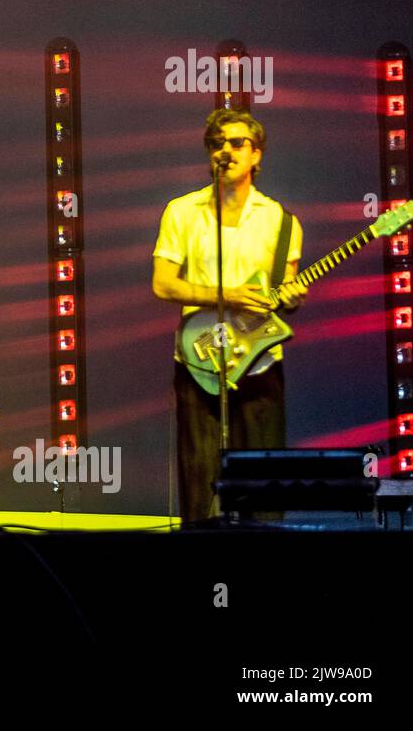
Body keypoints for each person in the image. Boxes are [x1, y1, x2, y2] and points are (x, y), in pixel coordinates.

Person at [152, 108, 307, 523]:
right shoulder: (182, 212)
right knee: (200, 482)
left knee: (263, 487)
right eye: (217, 144)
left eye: (237, 143)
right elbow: (164, 284)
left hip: (260, 364)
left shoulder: (281, 221)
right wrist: (228, 296)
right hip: (199, 360)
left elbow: (283, 294)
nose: (226, 150)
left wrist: (292, 297)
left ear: (257, 155)